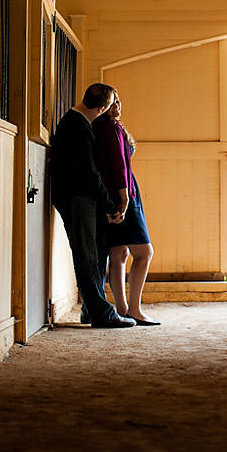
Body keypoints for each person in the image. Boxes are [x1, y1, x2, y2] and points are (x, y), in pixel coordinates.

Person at [51, 83, 137, 328]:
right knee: (87, 255)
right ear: (102, 108)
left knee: (94, 251)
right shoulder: (77, 127)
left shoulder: (73, 123)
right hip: (77, 197)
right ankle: (101, 313)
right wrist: (110, 204)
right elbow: (89, 173)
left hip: (79, 196)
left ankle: (91, 309)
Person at [93, 95, 159, 326]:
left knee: (119, 254)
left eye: (119, 101)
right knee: (144, 253)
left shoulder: (101, 128)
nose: (117, 106)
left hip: (111, 195)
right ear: (101, 105)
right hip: (124, 194)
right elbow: (119, 165)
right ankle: (134, 309)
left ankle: (122, 309)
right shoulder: (110, 128)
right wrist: (125, 198)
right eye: (112, 102)